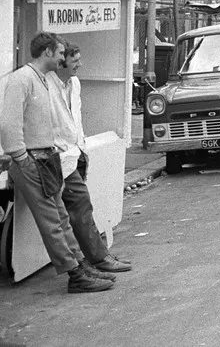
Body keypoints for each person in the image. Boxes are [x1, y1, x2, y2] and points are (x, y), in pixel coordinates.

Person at [0, 32, 112, 293]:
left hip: (46, 157)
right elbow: (8, 124)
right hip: (32, 159)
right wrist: (20, 157)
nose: (63, 58)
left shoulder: (40, 80)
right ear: (47, 52)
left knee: (61, 215)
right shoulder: (22, 80)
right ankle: (74, 274)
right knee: (51, 220)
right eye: (60, 53)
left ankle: (79, 265)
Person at [48, 42, 132, 275]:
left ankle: (87, 260)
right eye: (75, 61)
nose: (80, 65)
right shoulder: (47, 85)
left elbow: (76, 118)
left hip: (74, 153)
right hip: (57, 156)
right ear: (61, 62)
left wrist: (81, 146)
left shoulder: (73, 84)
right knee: (79, 205)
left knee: (72, 211)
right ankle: (96, 259)